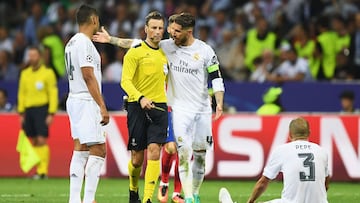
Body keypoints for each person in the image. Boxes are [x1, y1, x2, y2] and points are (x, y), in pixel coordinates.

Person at [93, 12, 225, 203]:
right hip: (158, 108)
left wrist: (219, 101)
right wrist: (111, 39)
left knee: (184, 154)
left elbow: (216, 77)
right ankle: (150, 192)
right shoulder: (155, 47)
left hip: (183, 109)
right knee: (158, 155)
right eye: (157, 28)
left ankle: (179, 195)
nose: (165, 33)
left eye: (166, 29)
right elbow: (134, 45)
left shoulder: (191, 50)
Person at [219, 117, 330, 203]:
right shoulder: (322, 151)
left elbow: (263, 182)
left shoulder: (283, 150)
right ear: (309, 133)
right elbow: (325, 184)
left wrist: (251, 201)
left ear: (290, 135)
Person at [121, 11, 168, 203]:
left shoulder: (167, 52)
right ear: (146, 29)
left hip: (159, 107)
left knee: (155, 150)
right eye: (154, 28)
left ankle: (147, 199)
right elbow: (125, 81)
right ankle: (133, 190)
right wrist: (140, 97)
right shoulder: (135, 52)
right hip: (137, 106)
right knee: (137, 159)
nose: (157, 32)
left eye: (160, 28)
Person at [65, 4, 109, 203]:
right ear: (94, 20)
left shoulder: (71, 43)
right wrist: (101, 105)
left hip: (74, 98)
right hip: (85, 100)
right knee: (99, 149)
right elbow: (88, 75)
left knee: (80, 147)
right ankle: (89, 198)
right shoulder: (84, 43)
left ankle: (75, 199)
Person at [17, 46, 58, 179]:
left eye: (34, 55)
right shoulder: (25, 73)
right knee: (33, 140)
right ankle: (37, 170)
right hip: (28, 110)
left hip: (42, 109)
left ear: (39, 57)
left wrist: (51, 113)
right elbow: (22, 93)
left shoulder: (48, 73)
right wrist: (21, 112)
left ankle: (42, 171)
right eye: (30, 55)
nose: (32, 58)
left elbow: (53, 93)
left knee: (41, 139)